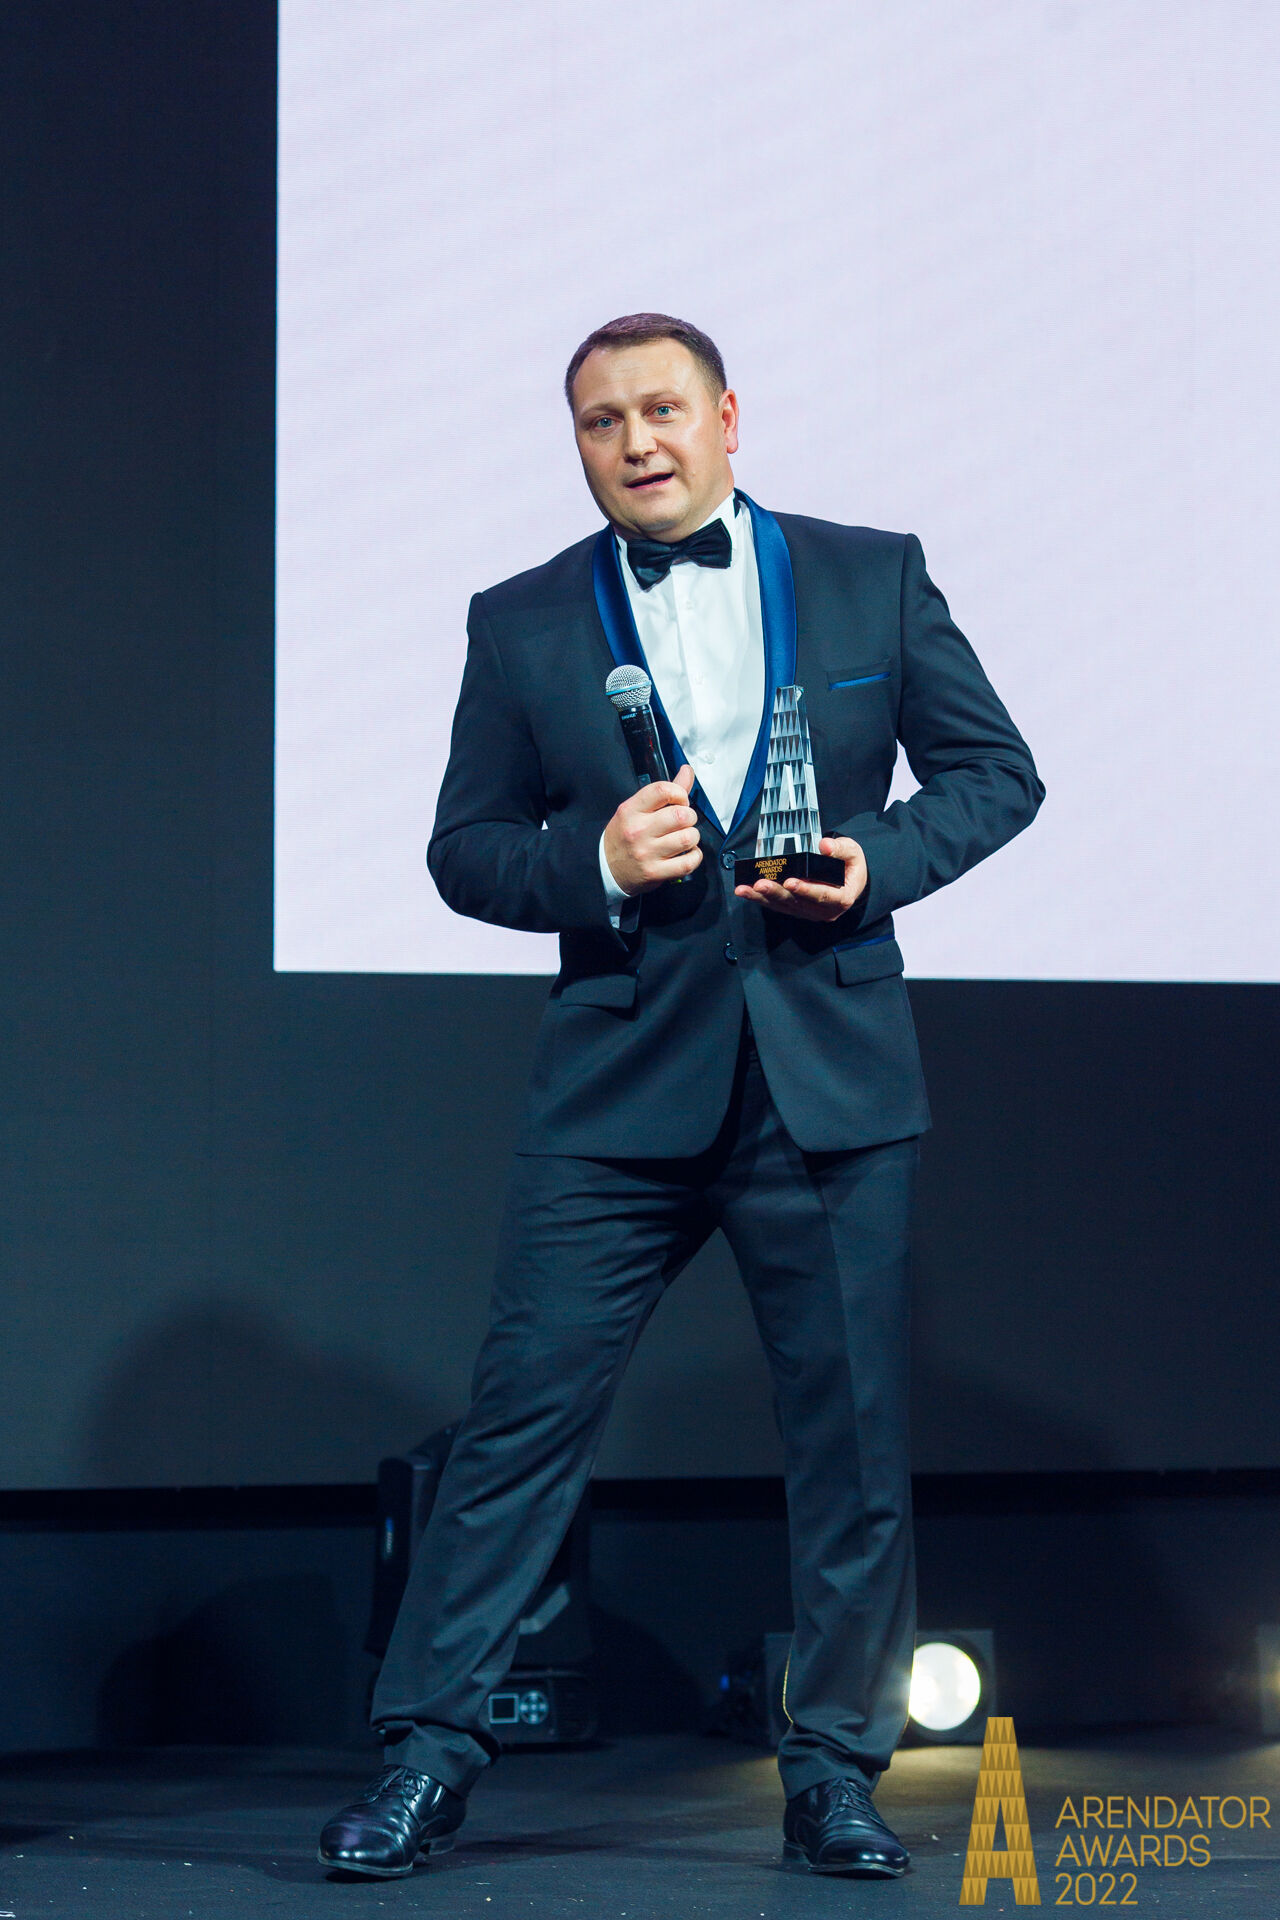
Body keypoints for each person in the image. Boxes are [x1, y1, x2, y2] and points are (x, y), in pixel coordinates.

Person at [319, 313, 1043, 1880]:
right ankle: (423, 1760)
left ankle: (835, 1772)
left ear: (727, 417)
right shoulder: (520, 620)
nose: (635, 441)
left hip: (830, 1082)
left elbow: (997, 773)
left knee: (851, 1452)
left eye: (661, 409)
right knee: (516, 1434)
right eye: (601, 421)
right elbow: (464, 851)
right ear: (578, 445)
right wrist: (588, 862)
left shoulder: (870, 575)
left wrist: (876, 864)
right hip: (619, 1091)